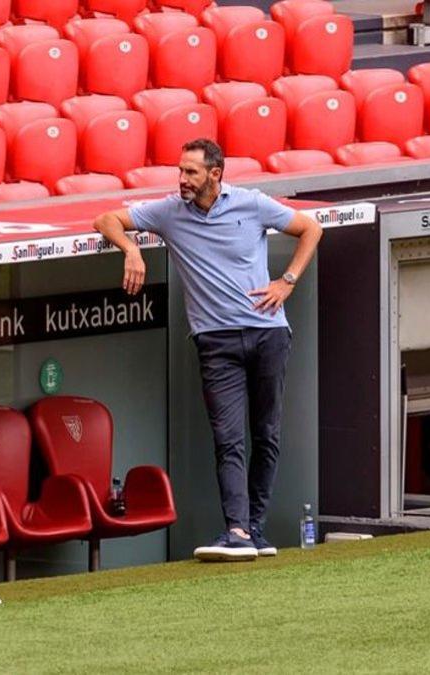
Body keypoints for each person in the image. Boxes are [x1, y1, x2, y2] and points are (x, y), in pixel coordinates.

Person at [93, 139, 322, 562]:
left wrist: (286, 281)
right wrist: (131, 250)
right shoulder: (168, 211)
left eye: (191, 173)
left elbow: (311, 228)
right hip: (215, 341)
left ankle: (254, 528)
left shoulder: (251, 204)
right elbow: (105, 218)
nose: (182, 179)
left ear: (215, 175)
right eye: (180, 171)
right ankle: (236, 530)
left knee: (266, 435)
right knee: (228, 439)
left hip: (268, 333)